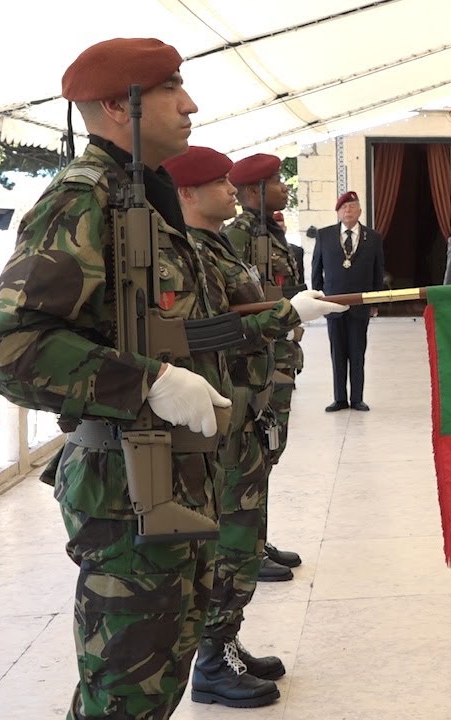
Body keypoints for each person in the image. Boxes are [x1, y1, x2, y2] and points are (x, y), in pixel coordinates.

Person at [0, 38, 232, 719]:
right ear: (122, 107)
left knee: (156, 682)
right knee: (122, 693)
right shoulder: (81, 201)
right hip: (126, 488)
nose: (191, 104)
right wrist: (144, 382)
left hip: (171, 478)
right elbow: (12, 345)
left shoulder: (140, 196)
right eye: (173, 88)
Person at [163, 146, 343, 707]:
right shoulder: (191, 251)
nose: (231, 192)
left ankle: (225, 646)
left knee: (243, 534)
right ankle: (213, 664)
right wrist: (289, 313)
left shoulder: (215, 245)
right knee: (232, 544)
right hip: (224, 421)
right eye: (220, 184)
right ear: (188, 194)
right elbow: (209, 331)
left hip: (248, 410)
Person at [224, 154, 305, 579]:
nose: (284, 186)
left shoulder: (269, 233)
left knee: (268, 455)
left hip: (279, 359)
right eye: (275, 181)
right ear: (252, 191)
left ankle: (256, 538)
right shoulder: (237, 237)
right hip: (257, 365)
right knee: (250, 462)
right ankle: (242, 551)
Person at [312, 190, 385, 412]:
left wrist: (375, 302)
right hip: (333, 303)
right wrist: (317, 298)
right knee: (337, 352)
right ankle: (339, 398)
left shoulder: (372, 237)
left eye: (352, 206)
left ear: (360, 210)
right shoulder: (324, 235)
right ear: (337, 212)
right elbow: (317, 270)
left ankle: (357, 398)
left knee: (357, 352)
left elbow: (377, 271)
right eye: (344, 207)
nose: (348, 210)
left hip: (360, 305)